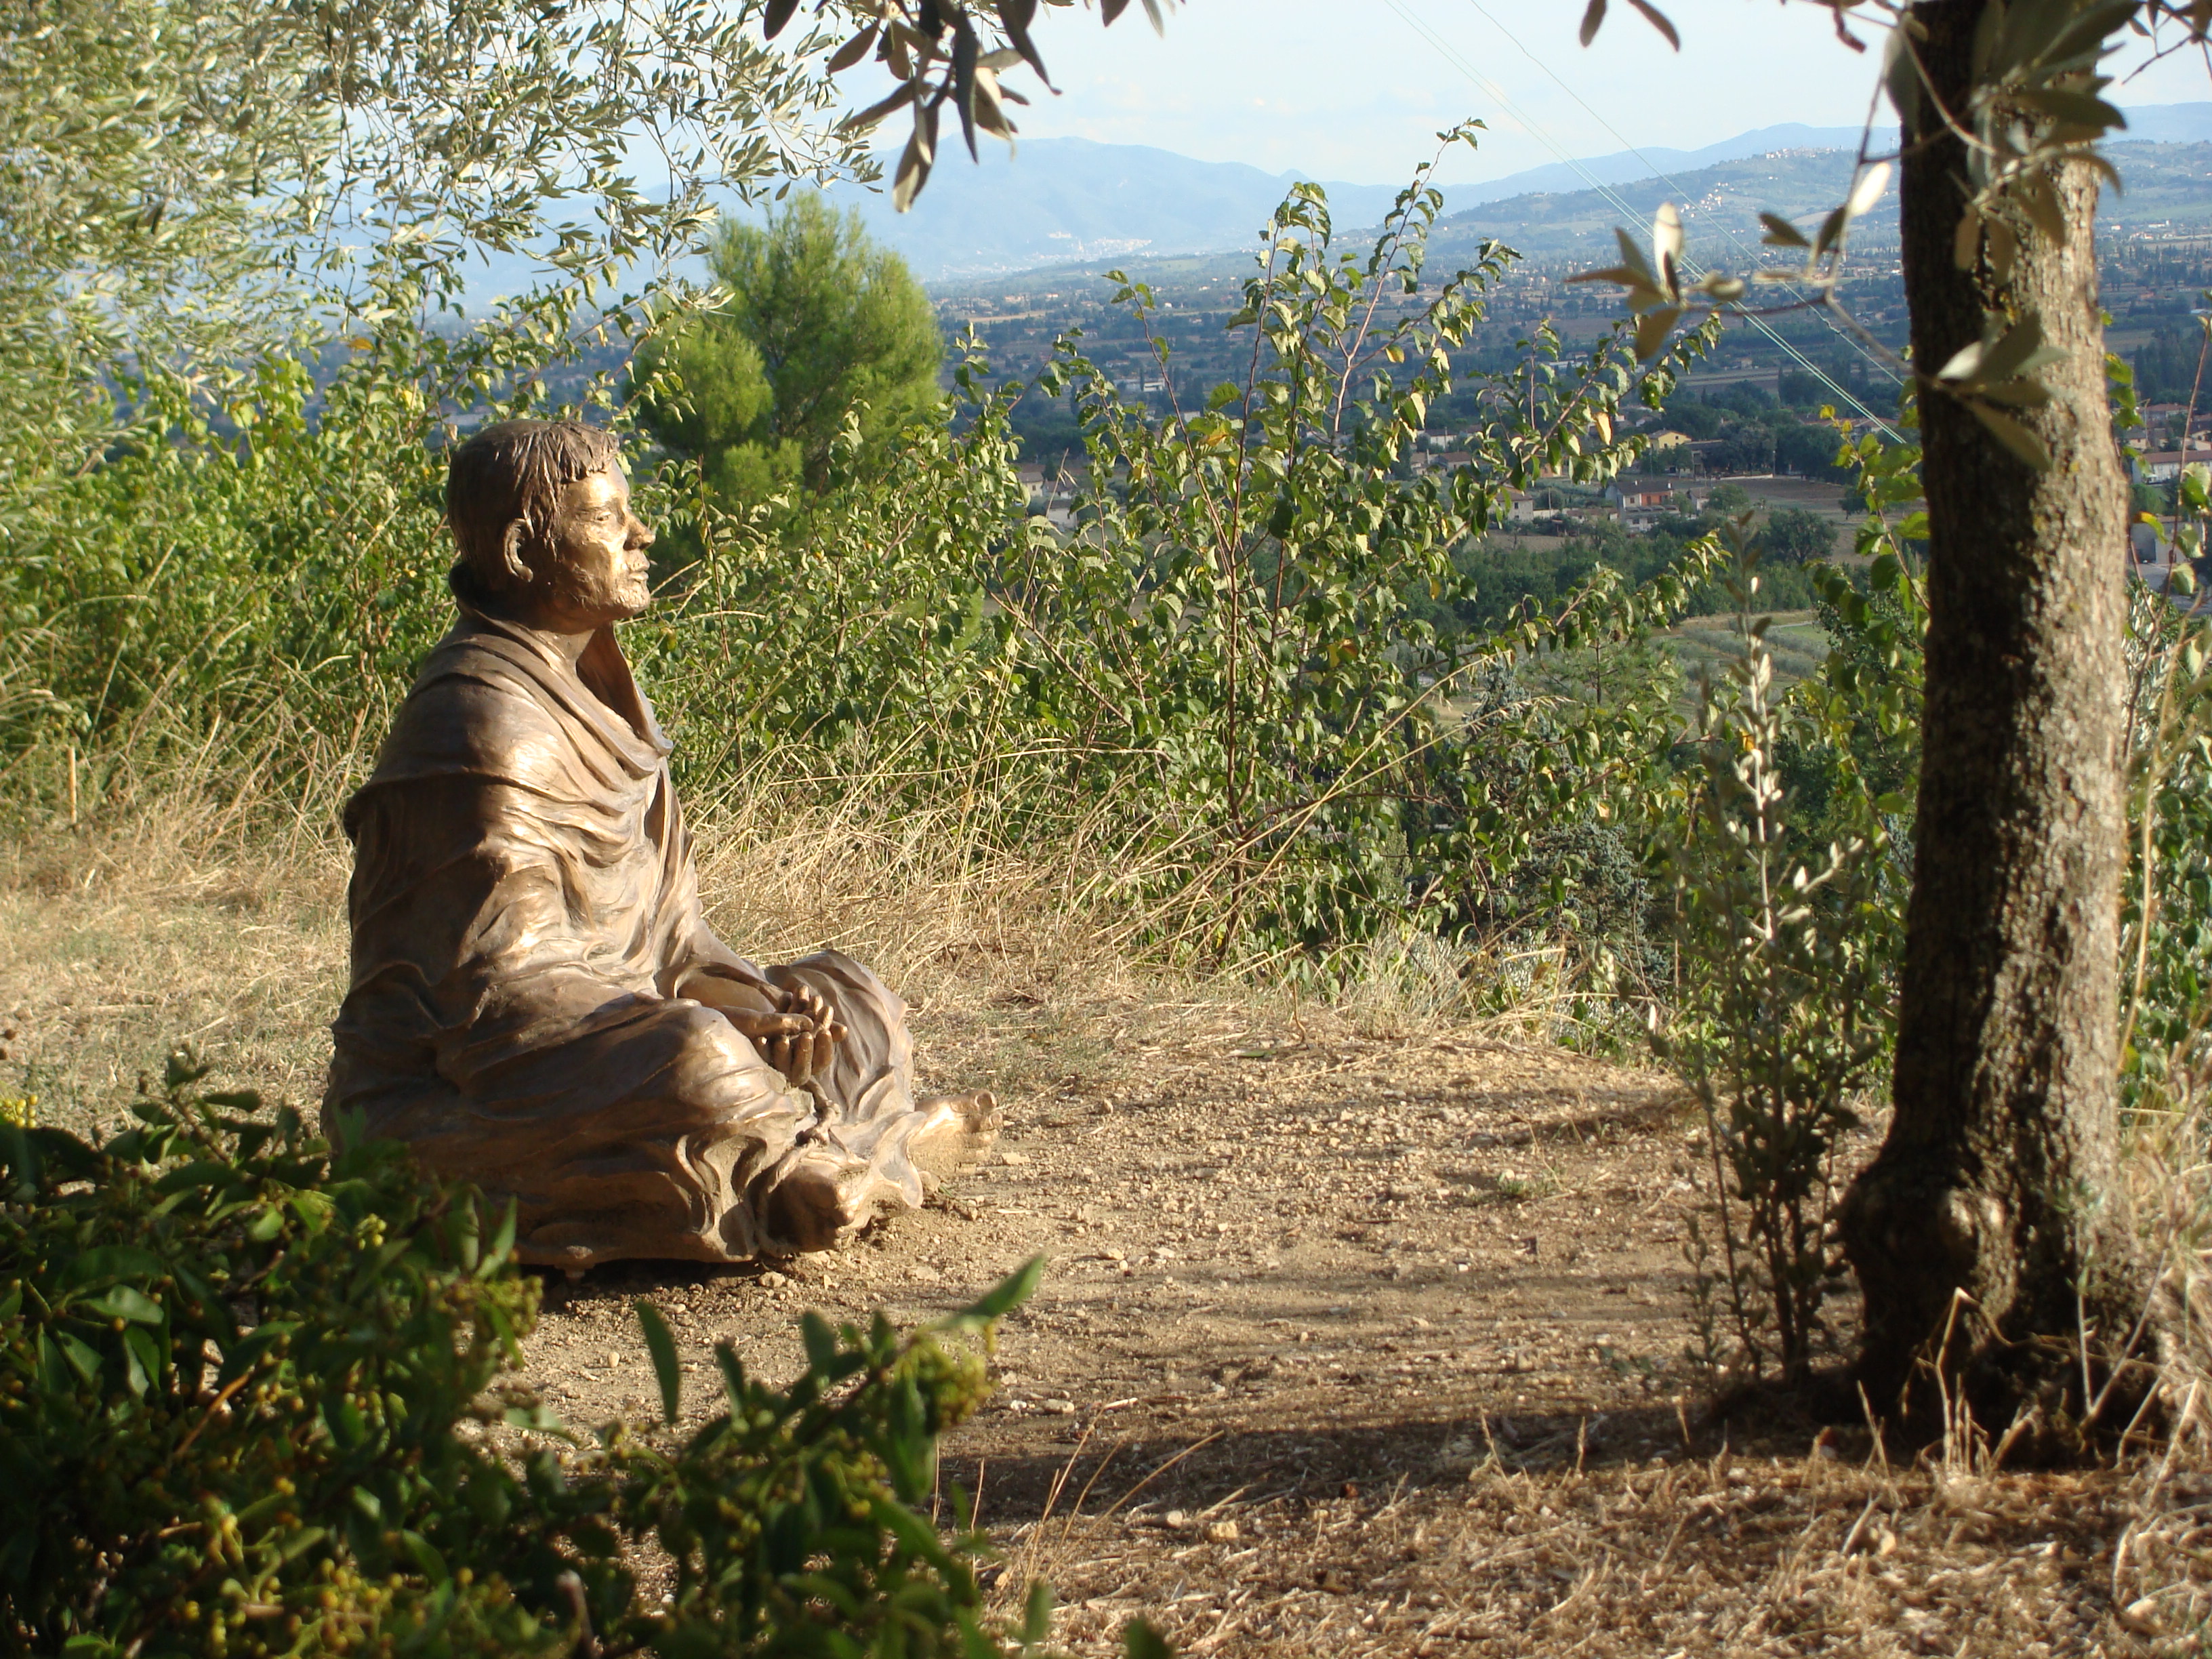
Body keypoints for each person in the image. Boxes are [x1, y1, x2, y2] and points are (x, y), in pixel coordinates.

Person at [323, 418, 996, 1269]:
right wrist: (695, 1024)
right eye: (608, 519)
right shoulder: (480, 722)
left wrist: (756, 1004)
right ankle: (828, 1169)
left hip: (613, 1023)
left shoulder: (603, 694)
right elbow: (495, 997)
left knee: (847, 995)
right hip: (464, 1079)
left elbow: (672, 939)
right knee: (694, 1054)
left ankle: (822, 1162)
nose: (641, 535)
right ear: (528, 549)